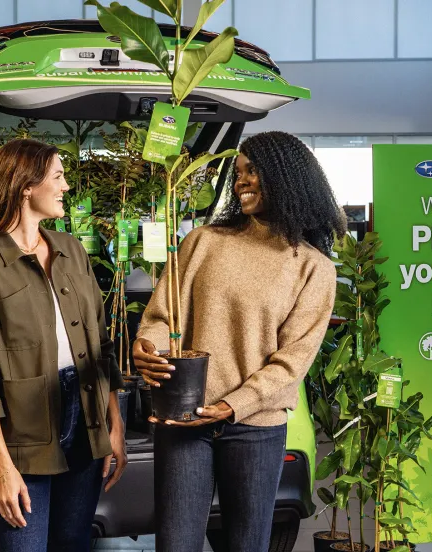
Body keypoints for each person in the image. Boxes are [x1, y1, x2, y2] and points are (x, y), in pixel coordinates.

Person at [133, 131, 345, 552]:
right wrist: (147, 346)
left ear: (286, 178)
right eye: (239, 172)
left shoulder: (312, 267)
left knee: (246, 545)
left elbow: (293, 361)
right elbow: (163, 314)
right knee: (176, 545)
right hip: (184, 419)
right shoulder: (205, 242)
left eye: (253, 171)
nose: (241, 181)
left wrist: (235, 405)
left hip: (256, 426)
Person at [0, 138, 127, 552]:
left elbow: (101, 344)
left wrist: (113, 425)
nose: (66, 187)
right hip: (17, 434)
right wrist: (1, 468)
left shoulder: (70, 249)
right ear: (26, 185)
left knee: (73, 542)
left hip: (83, 419)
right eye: (58, 177)